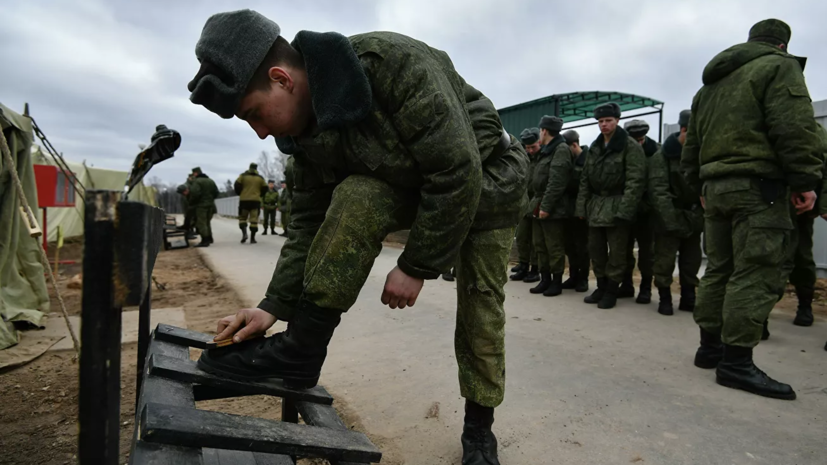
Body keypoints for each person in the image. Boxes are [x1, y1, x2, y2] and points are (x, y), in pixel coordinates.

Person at [186, 10, 528, 463]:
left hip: (488, 180)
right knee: (358, 193)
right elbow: (307, 225)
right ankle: (302, 350)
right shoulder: (305, 136)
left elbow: (456, 171)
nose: (262, 131)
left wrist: (415, 265)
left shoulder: (393, 65)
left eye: (254, 114)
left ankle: (479, 428)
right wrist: (272, 306)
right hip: (420, 184)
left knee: (481, 304)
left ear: (282, 78)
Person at [681, 19, 822, 400]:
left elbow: (690, 146)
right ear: (782, 45)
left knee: (719, 269)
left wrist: (699, 188)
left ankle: (709, 349)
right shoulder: (779, 67)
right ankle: (736, 363)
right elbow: (793, 126)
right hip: (761, 189)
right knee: (756, 271)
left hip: (716, 189)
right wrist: (805, 180)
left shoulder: (708, 87)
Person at [575, 103, 645, 309]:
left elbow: (636, 180)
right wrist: (581, 208)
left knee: (617, 252)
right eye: (600, 121)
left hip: (617, 203)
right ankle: (601, 285)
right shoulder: (595, 147)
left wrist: (626, 210)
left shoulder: (629, 146)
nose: (604, 125)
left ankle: (613, 289)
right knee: (595, 249)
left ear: (617, 121)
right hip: (596, 206)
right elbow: (585, 179)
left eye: (608, 121)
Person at [648, 110, 703, 316]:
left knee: (691, 260)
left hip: (693, 217)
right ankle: (665, 297)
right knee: (664, 260)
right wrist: (671, 220)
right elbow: (659, 191)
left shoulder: (700, 154)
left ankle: (689, 297)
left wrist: (698, 215)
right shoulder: (662, 156)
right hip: (668, 218)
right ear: (683, 130)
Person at [778, 123, 827, 327]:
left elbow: (824, 168)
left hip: (801, 209)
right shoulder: (768, 123)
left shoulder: (814, 131)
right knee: (768, 259)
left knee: (802, 258)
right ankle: (759, 315)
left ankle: (805, 306)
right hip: (771, 205)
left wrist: (822, 205)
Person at [528, 116, 573, 297]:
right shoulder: (547, 150)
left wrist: (546, 207)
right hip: (539, 203)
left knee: (554, 246)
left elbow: (557, 182)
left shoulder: (560, 149)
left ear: (544, 131)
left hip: (553, 207)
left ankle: (556, 282)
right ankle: (544, 278)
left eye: (540, 130)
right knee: (540, 244)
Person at [620, 120, 660, 304]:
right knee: (623, 250)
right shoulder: (621, 151)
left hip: (648, 211)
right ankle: (626, 285)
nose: (639, 143)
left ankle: (645, 288)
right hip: (626, 208)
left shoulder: (657, 151)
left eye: (641, 139)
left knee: (647, 253)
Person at [510, 127, 541, 283]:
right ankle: (523, 265)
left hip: (537, 201)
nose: (530, 150)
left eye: (533, 147)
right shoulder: (525, 157)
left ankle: (534, 269)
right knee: (522, 237)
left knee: (535, 240)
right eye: (527, 148)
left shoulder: (543, 157)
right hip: (525, 201)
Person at [562, 130, 590, 292]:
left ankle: (583, 278)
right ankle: (573, 276)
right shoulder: (570, 161)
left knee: (582, 246)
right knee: (570, 245)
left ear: (574, 145)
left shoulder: (587, 159)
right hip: (568, 209)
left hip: (582, 210)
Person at [235, 162, 269, 244]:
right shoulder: (260, 178)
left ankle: (244, 234)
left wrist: (241, 193)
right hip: (255, 201)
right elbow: (265, 188)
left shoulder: (242, 176)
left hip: (244, 201)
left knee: (242, 218)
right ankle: (252, 239)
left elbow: (236, 185)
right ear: (256, 168)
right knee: (254, 220)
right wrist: (259, 195)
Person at [189, 167, 219, 247]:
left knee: (201, 222)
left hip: (201, 205)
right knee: (207, 222)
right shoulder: (211, 181)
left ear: (195, 173)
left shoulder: (197, 181)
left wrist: (192, 202)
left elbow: (195, 193)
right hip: (211, 204)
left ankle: (205, 240)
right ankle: (209, 238)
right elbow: (216, 192)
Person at [279, 156, 294, 237]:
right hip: (284, 207)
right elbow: (281, 199)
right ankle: (285, 231)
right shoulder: (284, 190)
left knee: (288, 220)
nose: (283, 185)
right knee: (284, 220)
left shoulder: (288, 188)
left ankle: (288, 232)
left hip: (288, 206)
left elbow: (287, 197)